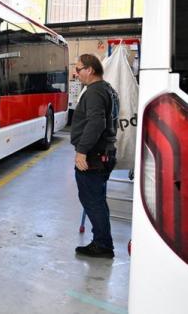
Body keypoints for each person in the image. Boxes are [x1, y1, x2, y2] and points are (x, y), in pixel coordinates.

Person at [70, 54, 119, 259]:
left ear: (90, 70)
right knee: (98, 199)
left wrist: (82, 150)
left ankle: (102, 244)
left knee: (92, 200)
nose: (76, 72)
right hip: (104, 154)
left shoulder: (94, 92)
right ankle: (103, 240)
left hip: (94, 156)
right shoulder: (108, 89)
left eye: (79, 68)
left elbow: (96, 123)